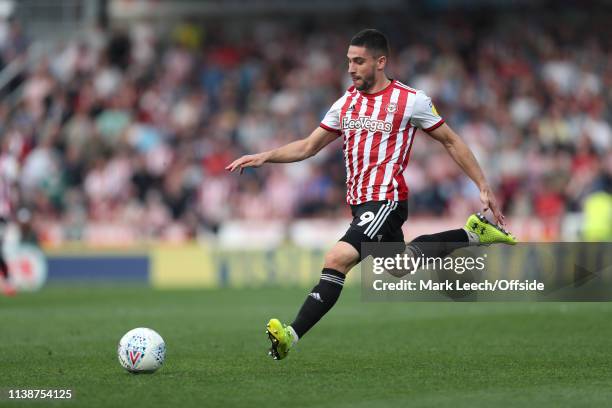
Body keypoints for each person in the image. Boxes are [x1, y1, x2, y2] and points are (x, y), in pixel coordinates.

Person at [226, 29, 516, 360]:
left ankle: (291, 335)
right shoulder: (345, 103)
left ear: (380, 62)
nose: (351, 68)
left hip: (386, 200)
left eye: (359, 61)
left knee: (336, 259)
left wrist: (482, 183)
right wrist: (265, 156)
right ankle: (473, 233)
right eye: (349, 61)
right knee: (399, 265)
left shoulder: (411, 100)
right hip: (361, 204)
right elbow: (308, 146)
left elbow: (451, 140)